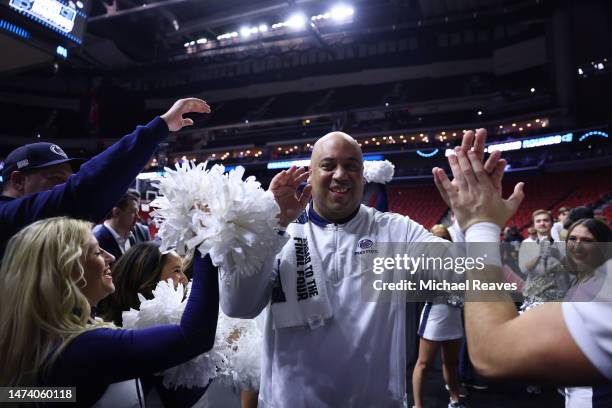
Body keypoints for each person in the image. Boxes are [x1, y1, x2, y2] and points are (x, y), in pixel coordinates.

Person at [219, 128, 522, 407]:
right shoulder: (279, 230)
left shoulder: (396, 232)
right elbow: (238, 306)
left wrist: (478, 224)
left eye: (351, 166)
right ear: (310, 174)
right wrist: (272, 229)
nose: (341, 175)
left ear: (363, 175)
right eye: (328, 165)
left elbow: (470, 278)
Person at [0, 217, 219, 408]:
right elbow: (194, 336)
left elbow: (17, 396)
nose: (111, 257)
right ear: (68, 269)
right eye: (97, 252)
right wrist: (203, 243)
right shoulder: (84, 347)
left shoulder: (41, 339)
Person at [0, 98, 210, 257]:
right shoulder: (6, 217)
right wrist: (157, 130)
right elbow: (80, 192)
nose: (64, 187)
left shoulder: (37, 227)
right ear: (18, 181)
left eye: (68, 179)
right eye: (56, 179)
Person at [101, 242, 206, 408]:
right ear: (148, 279)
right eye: (177, 271)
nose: (185, 279)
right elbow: (178, 399)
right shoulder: (117, 337)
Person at [412, 225, 466, 408]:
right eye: (436, 237)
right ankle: (418, 405)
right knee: (424, 363)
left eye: (444, 237)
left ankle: (455, 399)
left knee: (451, 362)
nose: (440, 241)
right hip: (435, 314)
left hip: (455, 315)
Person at [94, 191, 141, 260]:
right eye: (133, 212)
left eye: (137, 212)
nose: (138, 217)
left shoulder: (132, 237)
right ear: (116, 212)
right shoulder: (97, 240)